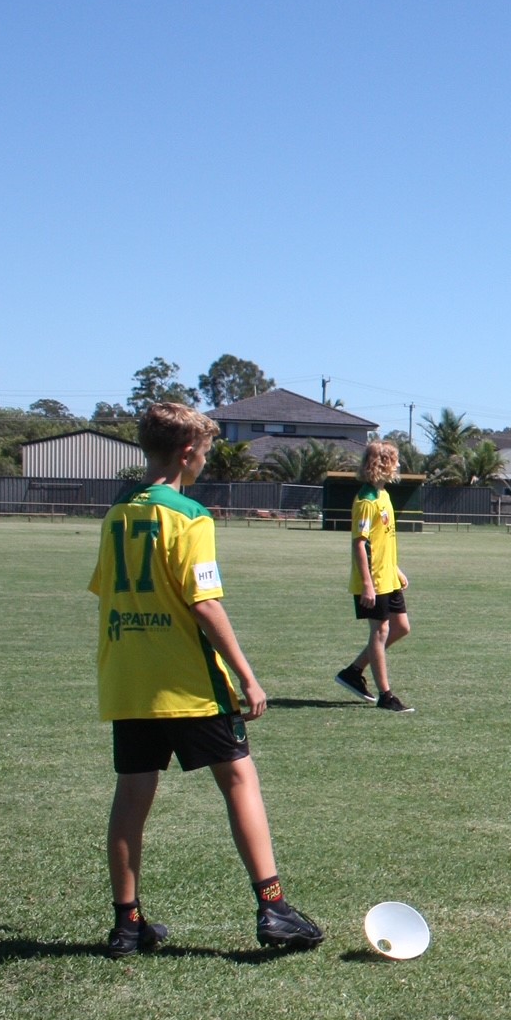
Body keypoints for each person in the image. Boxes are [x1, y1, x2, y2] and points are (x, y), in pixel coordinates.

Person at [90, 402, 324, 956]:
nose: (206, 461)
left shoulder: (117, 514)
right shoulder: (190, 516)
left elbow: (107, 590)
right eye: (206, 451)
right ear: (187, 452)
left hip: (129, 678)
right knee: (239, 780)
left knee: (132, 794)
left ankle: (128, 924)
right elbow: (205, 603)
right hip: (189, 681)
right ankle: (274, 909)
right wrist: (248, 676)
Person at [335, 441, 414, 713]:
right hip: (374, 581)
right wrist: (367, 584)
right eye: (394, 460)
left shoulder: (384, 495)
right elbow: (360, 543)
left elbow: (384, 541)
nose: (398, 465)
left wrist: (396, 568)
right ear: (382, 464)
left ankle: (354, 671)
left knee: (401, 627)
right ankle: (386, 695)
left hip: (387, 576)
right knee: (380, 632)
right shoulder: (366, 500)